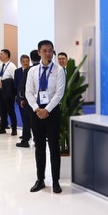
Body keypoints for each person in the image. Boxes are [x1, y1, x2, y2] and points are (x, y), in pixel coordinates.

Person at [26, 39, 66, 193]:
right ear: (39, 52)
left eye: (50, 50)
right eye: (44, 50)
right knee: (39, 147)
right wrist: (37, 109)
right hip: (36, 111)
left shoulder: (58, 70)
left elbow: (59, 93)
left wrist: (47, 110)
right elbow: (29, 92)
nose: (48, 53)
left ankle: (55, 181)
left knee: (54, 147)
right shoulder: (32, 71)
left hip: (52, 111)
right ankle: (40, 179)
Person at [0, 48, 17, 135]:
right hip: (0, 90)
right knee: (2, 110)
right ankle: (2, 127)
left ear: (7, 55)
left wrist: (4, 83)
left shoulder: (12, 66)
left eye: (1, 54)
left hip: (8, 92)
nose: (0, 55)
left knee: (10, 110)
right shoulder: (1, 65)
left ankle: (14, 128)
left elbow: (14, 80)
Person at [14, 54, 32, 148]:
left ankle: (29, 136)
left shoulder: (32, 70)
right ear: (21, 62)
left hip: (30, 99)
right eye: (24, 61)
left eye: (27, 61)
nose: (25, 63)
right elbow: (16, 85)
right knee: (24, 118)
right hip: (20, 98)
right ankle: (26, 134)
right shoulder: (17, 71)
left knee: (30, 119)